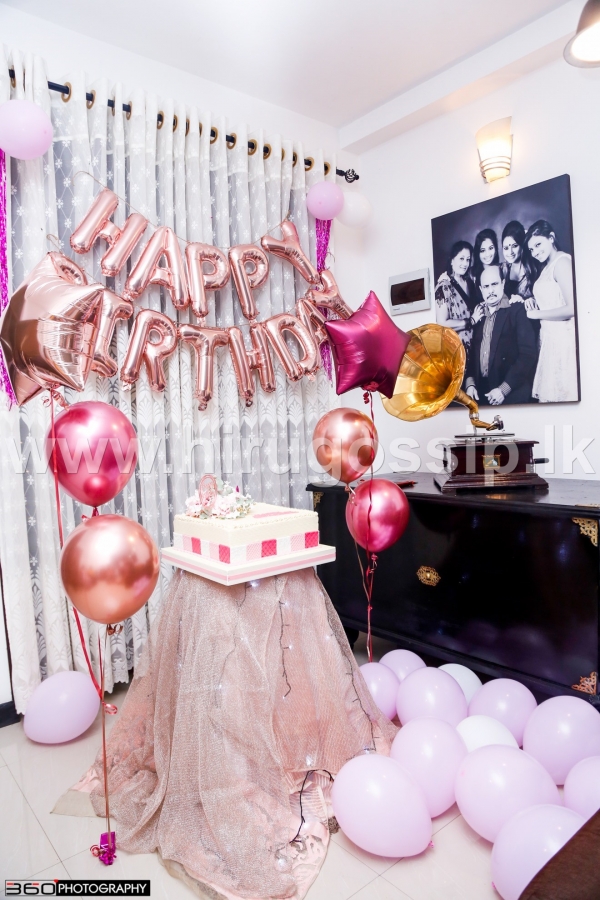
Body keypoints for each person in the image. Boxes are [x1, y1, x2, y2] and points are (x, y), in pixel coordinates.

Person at [465, 264, 538, 405]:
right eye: (486, 286)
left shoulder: (517, 310)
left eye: (494, 284)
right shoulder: (479, 313)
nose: (490, 291)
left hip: (512, 395)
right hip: (482, 394)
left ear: (503, 283)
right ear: (481, 289)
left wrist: (503, 390)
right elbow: (473, 355)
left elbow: (528, 355)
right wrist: (470, 384)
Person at [524, 220, 578, 403]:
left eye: (538, 245)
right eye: (531, 249)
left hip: (563, 342)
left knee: (564, 396)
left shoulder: (562, 262)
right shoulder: (547, 266)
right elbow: (552, 299)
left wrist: (537, 314)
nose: (534, 252)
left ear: (551, 238)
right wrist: (534, 301)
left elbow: (572, 308)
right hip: (550, 341)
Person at [434, 240, 478, 356]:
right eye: (461, 259)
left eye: (468, 259)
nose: (465, 263)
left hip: (475, 345)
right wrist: (470, 321)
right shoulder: (443, 286)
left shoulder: (469, 282)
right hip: (456, 350)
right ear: (452, 260)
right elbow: (442, 323)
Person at [500, 220, 533, 302]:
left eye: (514, 246)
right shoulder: (502, 269)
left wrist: (526, 301)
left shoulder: (533, 268)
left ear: (522, 245)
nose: (510, 252)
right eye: (506, 248)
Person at [472, 228, 500, 293]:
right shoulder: (472, 275)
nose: (487, 254)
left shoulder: (503, 270)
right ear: (478, 252)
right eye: (482, 250)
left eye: (490, 248)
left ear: (495, 249)